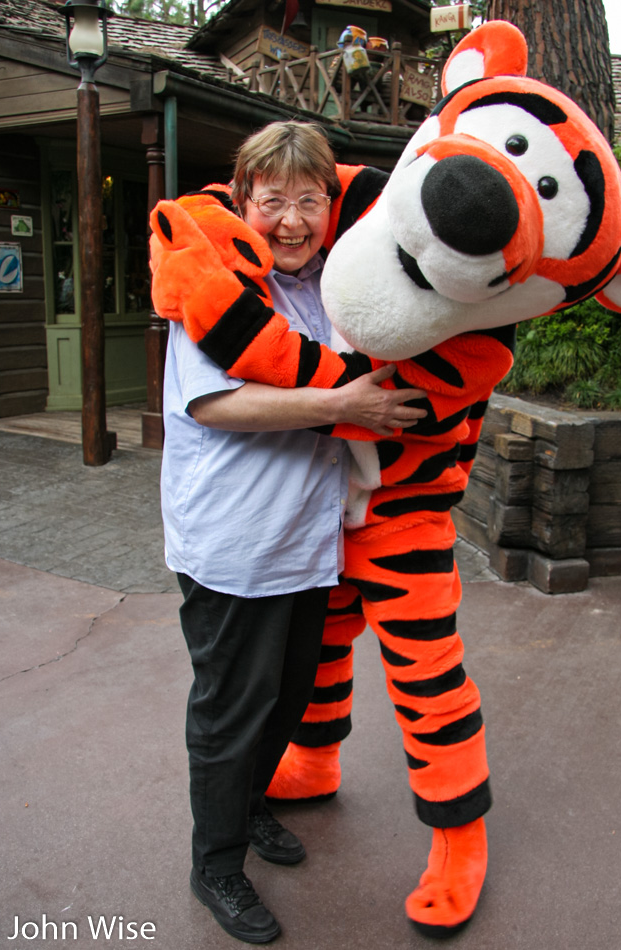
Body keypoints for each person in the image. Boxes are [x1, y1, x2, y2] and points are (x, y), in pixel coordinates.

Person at [158, 120, 426, 945]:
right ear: (243, 203)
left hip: (308, 545)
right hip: (233, 548)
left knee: (285, 703)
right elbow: (217, 406)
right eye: (271, 200)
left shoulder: (322, 289)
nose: (291, 220)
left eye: (308, 200)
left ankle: (252, 809)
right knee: (231, 715)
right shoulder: (220, 282)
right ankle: (216, 864)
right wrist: (342, 407)